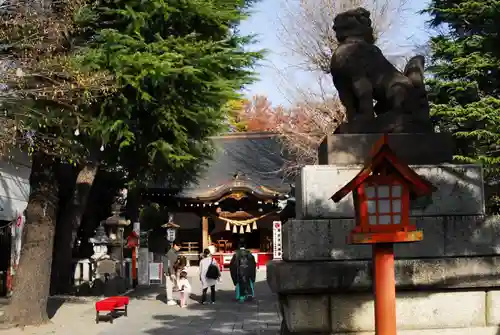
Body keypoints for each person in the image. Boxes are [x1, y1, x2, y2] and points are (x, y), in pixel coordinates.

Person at [229, 239, 256, 303]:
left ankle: (241, 297)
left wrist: (234, 275)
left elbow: (232, 266)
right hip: (248, 273)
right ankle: (250, 295)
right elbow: (253, 265)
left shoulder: (236, 255)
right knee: (249, 283)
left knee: (240, 285)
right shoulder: (250, 254)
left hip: (239, 273)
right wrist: (252, 275)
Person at [162, 240, 181, 306]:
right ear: (175, 245)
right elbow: (169, 264)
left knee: (171, 285)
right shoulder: (171, 252)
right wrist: (172, 273)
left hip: (170, 271)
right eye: (178, 247)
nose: (179, 248)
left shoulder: (174, 252)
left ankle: (170, 298)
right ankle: (169, 300)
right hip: (169, 271)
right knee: (169, 285)